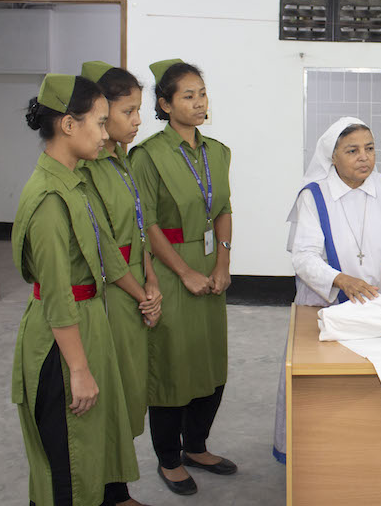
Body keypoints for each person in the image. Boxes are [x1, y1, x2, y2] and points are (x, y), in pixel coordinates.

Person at [12, 74, 159, 506]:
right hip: (62, 341)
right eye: (98, 122)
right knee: (68, 462)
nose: (105, 133)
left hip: (87, 323)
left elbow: (104, 252)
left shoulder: (74, 183)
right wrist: (78, 369)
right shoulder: (50, 201)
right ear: (68, 125)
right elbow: (57, 296)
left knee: (89, 447)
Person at [273, 116, 381, 462]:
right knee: (329, 390)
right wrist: (341, 280)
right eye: (353, 150)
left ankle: (374, 453)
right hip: (327, 306)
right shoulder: (314, 197)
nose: (364, 158)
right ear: (333, 157)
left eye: (370, 149)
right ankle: (321, 456)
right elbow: (304, 257)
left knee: (377, 385)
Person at [129, 59, 235, 495]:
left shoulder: (217, 152)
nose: (198, 102)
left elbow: (224, 210)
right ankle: (169, 459)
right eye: (187, 96)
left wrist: (223, 264)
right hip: (173, 269)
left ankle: (196, 446)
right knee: (173, 367)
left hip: (211, 267)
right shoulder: (148, 155)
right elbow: (146, 225)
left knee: (210, 362)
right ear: (165, 104)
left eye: (202, 94)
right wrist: (185, 271)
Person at [77, 61, 162, 506]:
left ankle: (117, 486)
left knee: (130, 391)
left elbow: (139, 228)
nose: (137, 120)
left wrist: (151, 278)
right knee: (111, 392)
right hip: (112, 294)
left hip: (135, 287)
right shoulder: (89, 168)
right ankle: (112, 493)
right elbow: (105, 247)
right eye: (129, 111)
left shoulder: (123, 161)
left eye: (138, 110)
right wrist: (139, 292)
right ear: (102, 111)